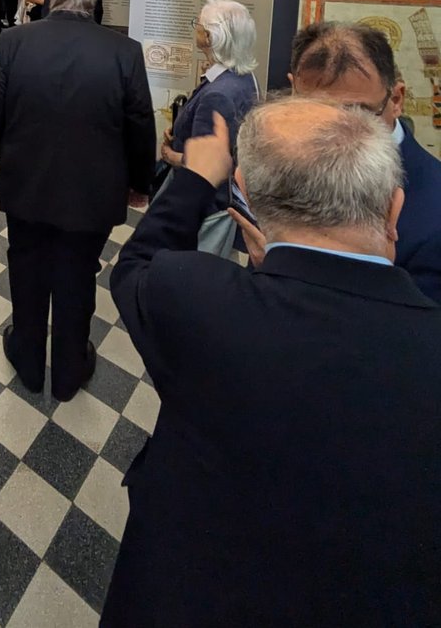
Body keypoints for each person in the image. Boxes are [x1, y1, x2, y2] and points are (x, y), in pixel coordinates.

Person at [104, 98, 441, 628]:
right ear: (394, 209)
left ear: (244, 193)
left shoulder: (200, 300)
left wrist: (195, 178)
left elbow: (136, 266)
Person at [0, 0, 155, 402]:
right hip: (92, 192)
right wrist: (140, 184)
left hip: (27, 184)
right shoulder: (124, 51)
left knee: (27, 268)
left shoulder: (16, 41)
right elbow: (140, 124)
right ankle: (70, 369)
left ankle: (29, 358)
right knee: (78, 274)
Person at [290, 21, 441, 301]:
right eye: (313, 112)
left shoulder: (434, 210)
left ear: (396, 99)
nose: (332, 135)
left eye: (356, 113)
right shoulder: (281, 167)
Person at [159, 0, 259, 170]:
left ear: (208, 37)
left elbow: (205, 164)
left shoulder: (217, 95)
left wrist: (170, 155)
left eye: (197, 24)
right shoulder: (244, 76)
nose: (195, 27)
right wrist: (180, 131)